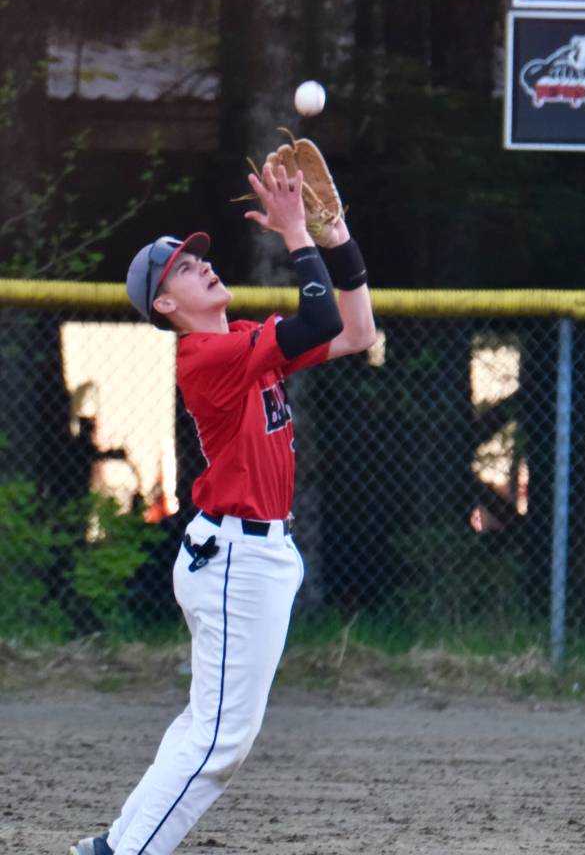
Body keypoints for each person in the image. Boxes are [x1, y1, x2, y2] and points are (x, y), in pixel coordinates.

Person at [70, 159, 375, 855]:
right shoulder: (205, 358)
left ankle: (116, 845)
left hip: (257, 553)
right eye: (183, 269)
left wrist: (336, 237)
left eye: (199, 258)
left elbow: (355, 330)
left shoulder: (242, 344)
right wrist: (298, 235)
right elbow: (322, 313)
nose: (202, 268)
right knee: (218, 738)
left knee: (214, 733)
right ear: (165, 306)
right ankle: (121, 852)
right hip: (235, 557)